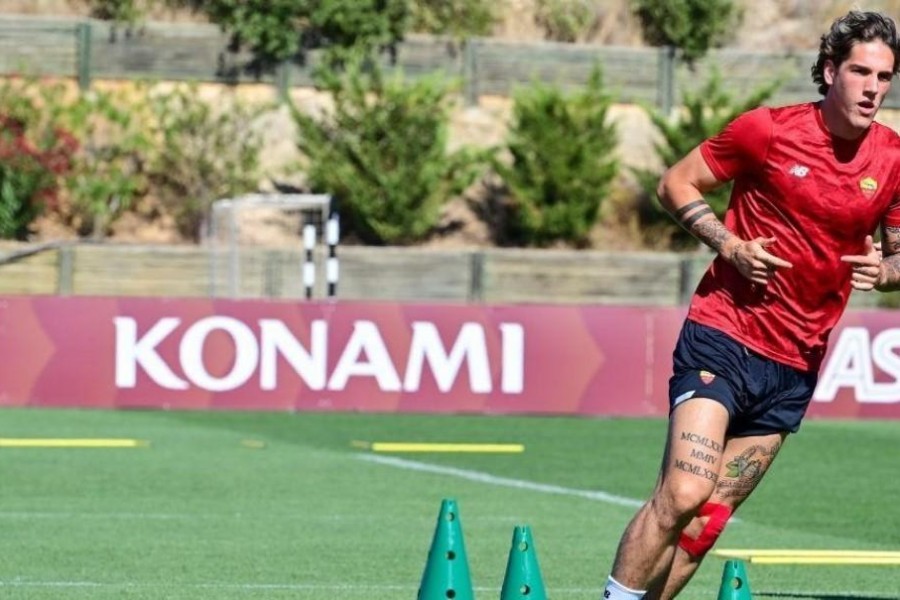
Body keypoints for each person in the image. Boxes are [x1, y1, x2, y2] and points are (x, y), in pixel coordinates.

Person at [601, 10, 900, 600]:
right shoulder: (765, 130)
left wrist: (886, 271)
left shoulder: (893, 159)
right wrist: (730, 245)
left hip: (796, 363)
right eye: (860, 71)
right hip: (725, 334)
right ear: (828, 70)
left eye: (885, 77)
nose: (873, 88)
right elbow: (675, 184)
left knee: (705, 522)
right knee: (684, 492)